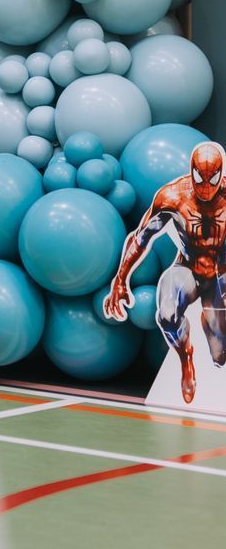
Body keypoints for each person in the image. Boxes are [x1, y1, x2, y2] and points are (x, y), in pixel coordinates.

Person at [104, 140, 226, 405]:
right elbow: (141, 237)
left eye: (212, 180)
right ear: (192, 172)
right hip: (187, 268)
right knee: (167, 314)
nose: (206, 187)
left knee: (220, 356)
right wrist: (121, 279)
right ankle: (185, 357)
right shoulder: (173, 196)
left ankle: (211, 323)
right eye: (200, 179)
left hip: (221, 275)